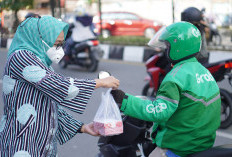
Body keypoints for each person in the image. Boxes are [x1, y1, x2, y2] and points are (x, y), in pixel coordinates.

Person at [0, 15, 119, 157]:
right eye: (55, 44)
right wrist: (99, 82)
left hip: (42, 145)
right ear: (40, 39)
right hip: (22, 143)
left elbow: (50, 105)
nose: (59, 49)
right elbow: (58, 85)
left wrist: (83, 127)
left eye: (61, 44)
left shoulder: (41, 62)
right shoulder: (21, 57)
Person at [111, 22, 221, 157]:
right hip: (202, 143)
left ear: (178, 47)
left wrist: (125, 100)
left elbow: (158, 112)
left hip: (181, 146)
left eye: (167, 46)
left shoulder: (175, 77)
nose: (165, 50)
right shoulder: (204, 71)